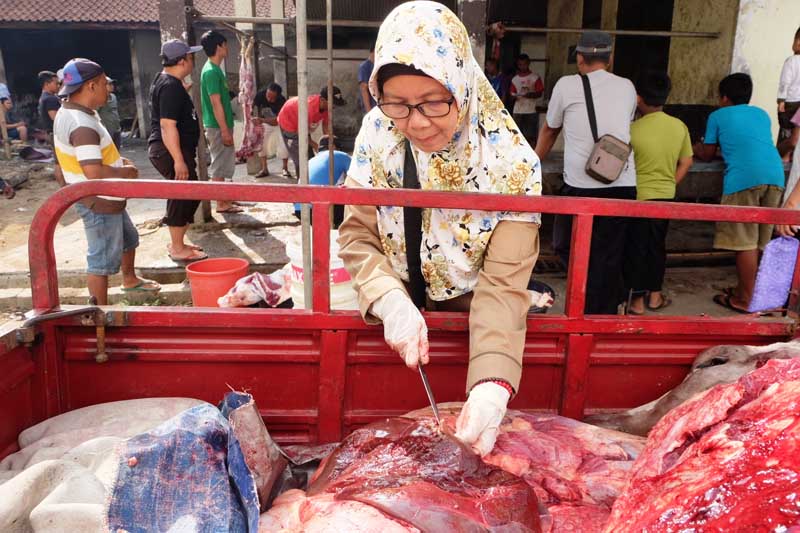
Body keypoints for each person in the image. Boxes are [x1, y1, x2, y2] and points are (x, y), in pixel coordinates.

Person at [337, 2, 542, 457]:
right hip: (396, 307)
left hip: (474, 310)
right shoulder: (377, 132)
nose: (417, 122)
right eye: (398, 104)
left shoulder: (512, 162)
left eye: (434, 102)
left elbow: (504, 285)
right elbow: (356, 234)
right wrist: (388, 300)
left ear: (462, 84)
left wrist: (492, 382)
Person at [535, 30, 637, 315]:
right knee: (608, 254)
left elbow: (550, 129)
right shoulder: (627, 86)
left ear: (579, 57)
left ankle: (590, 309)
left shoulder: (566, 85)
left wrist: (531, 166)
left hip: (583, 186)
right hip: (623, 183)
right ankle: (603, 309)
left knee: (566, 245)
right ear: (610, 57)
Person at [53, 58, 160, 305]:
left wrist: (118, 161)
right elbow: (92, 171)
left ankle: (130, 279)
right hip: (98, 199)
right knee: (101, 260)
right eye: (103, 84)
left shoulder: (74, 111)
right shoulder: (82, 124)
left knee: (129, 238)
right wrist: (127, 173)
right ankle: (98, 313)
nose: (107, 88)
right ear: (90, 86)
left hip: (105, 196)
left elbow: (87, 155)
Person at [694, 73, 785, 313]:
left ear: (724, 97)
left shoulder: (718, 115)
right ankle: (752, 292)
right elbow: (750, 144)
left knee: (744, 242)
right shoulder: (761, 114)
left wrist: (694, 146)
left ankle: (745, 300)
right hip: (775, 176)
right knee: (760, 242)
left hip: (744, 179)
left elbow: (706, 154)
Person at [625, 72, 693, 315]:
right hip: (666, 197)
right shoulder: (679, 126)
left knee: (636, 248)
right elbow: (686, 161)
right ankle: (655, 297)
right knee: (656, 247)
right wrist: (669, 183)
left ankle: (637, 302)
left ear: (639, 98)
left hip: (638, 197)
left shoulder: (632, 129)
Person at [148, 39, 208, 263]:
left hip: (175, 149)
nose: (193, 62)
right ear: (183, 61)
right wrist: (178, 160)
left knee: (191, 193)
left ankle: (179, 242)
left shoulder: (169, 82)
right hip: (170, 151)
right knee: (181, 195)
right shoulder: (171, 87)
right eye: (191, 58)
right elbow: (167, 125)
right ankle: (176, 247)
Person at [200, 30, 240, 214]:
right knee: (218, 164)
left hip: (220, 124)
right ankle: (221, 203)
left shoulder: (215, 70)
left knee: (224, 161)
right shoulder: (210, 72)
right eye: (225, 44)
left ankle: (225, 199)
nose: (227, 48)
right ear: (219, 47)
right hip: (217, 126)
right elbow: (216, 103)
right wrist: (224, 130)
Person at [277, 85, 345, 179]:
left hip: (302, 125)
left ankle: (311, 180)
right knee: (301, 159)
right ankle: (302, 184)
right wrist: (316, 146)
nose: (334, 107)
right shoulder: (309, 109)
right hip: (289, 124)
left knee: (310, 158)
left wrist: (329, 141)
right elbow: (302, 133)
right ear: (322, 100)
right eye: (333, 103)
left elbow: (325, 125)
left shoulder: (326, 108)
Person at [294, 136, 349, 225]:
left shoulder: (312, 160)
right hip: (319, 210)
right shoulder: (340, 155)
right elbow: (358, 176)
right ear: (334, 147)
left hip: (300, 210)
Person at [253, 82, 290, 178]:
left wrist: (261, 120)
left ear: (277, 97)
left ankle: (285, 168)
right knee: (261, 143)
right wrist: (253, 117)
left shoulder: (282, 101)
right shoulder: (261, 94)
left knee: (283, 145)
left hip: (279, 124)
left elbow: (277, 121)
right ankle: (264, 169)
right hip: (264, 122)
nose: (269, 99)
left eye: (272, 98)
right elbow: (253, 106)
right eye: (268, 96)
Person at [510, 53, 543, 143]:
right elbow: (511, 95)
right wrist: (514, 97)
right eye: (520, 64)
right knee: (516, 135)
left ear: (528, 63)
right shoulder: (514, 79)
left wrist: (530, 95)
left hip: (530, 110)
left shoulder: (535, 77)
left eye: (524, 64)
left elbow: (539, 93)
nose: (522, 66)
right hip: (517, 110)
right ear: (518, 65)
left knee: (530, 136)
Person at [777, 27, 800, 147]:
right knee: (797, 136)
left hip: (790, 103)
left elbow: (784, 82)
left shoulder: (791, 61)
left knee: (785, 134)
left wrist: (781, 100)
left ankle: (781, 160)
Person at [98, 77, 122, 150]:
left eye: (112, 84)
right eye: (109, 84)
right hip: (107, 130)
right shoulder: (100, 99)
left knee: (117, 151)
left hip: (116, 128)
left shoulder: (113, 97)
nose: (112, 86)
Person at [358, 45, 376, 113]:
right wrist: (368, 110)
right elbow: (363, 89)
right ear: (373, 51)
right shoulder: (364, 67)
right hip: (370, 106)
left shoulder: (377, 65)